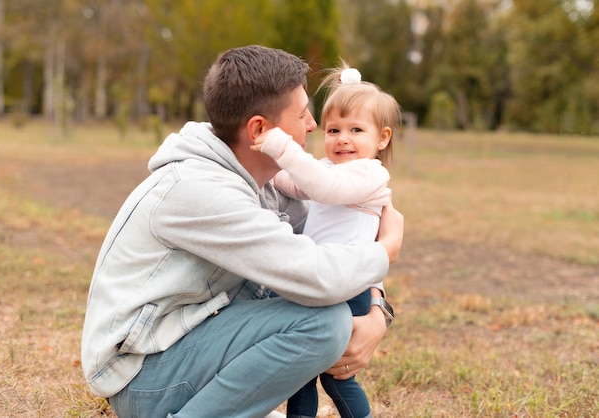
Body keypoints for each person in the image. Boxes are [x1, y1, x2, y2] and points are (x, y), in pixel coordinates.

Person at [80, 45, 404, 418]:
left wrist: (377, 308)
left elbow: (335, 242)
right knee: (324, 324)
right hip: (142, 377)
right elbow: (317, 275)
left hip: (184, 338)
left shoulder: (260, 175)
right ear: (259, 130)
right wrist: (386, 252)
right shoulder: (200, 190)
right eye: (302, 116)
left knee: (318, 309)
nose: (313, 126)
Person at [252, 64, 401, 418]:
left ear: (382, 139)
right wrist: (264, 170)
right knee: (301, 370)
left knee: (336, 377)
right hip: (319, 278)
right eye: (333, 130)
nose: (341, 139)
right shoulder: (328, 170)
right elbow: (294, 183)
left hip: (349, 284)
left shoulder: (370, 174)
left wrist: (280, 146)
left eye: (355, 130)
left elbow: (325, 188)